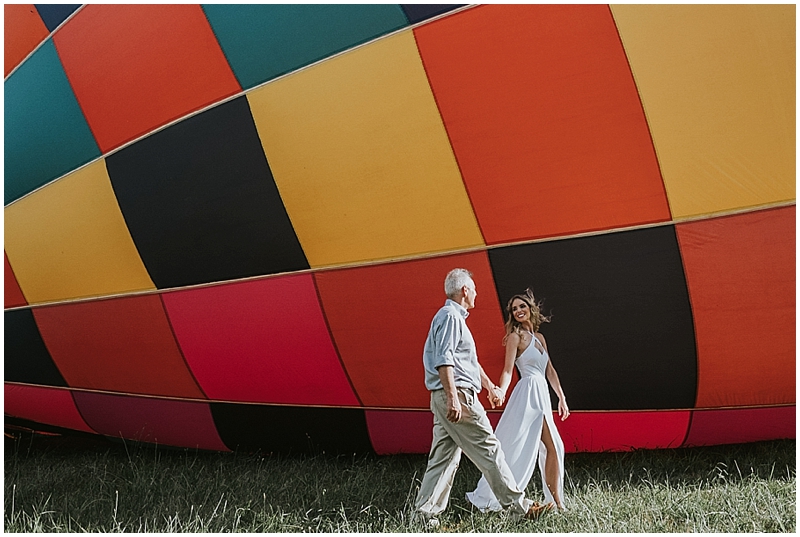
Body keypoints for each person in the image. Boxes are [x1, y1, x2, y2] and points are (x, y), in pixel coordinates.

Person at [414, 269, 549, 524]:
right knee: (490, 448)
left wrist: (489, 387)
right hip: (458, 397)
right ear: (465, 290)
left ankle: (423, 516)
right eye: (474, 289)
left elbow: (470, 363)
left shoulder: (453, 319)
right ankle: (519, 507)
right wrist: (454, 397)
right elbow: (445, 360)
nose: (476, 294)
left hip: (446, 396)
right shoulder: (451, 317)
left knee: (443, 457)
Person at [466, 289, 569, 512]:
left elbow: (550, 370)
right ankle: (557, 503)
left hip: (542, 393)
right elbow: (507, 370)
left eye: (522, 306)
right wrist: (500, 391)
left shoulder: (540, 338)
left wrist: (561, 397)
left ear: (530, 309)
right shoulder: (515, 337)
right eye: (514, 309)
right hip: (528, 395)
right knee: (550, 446)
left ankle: (554, 500)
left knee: (552, 447)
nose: (518, 311)